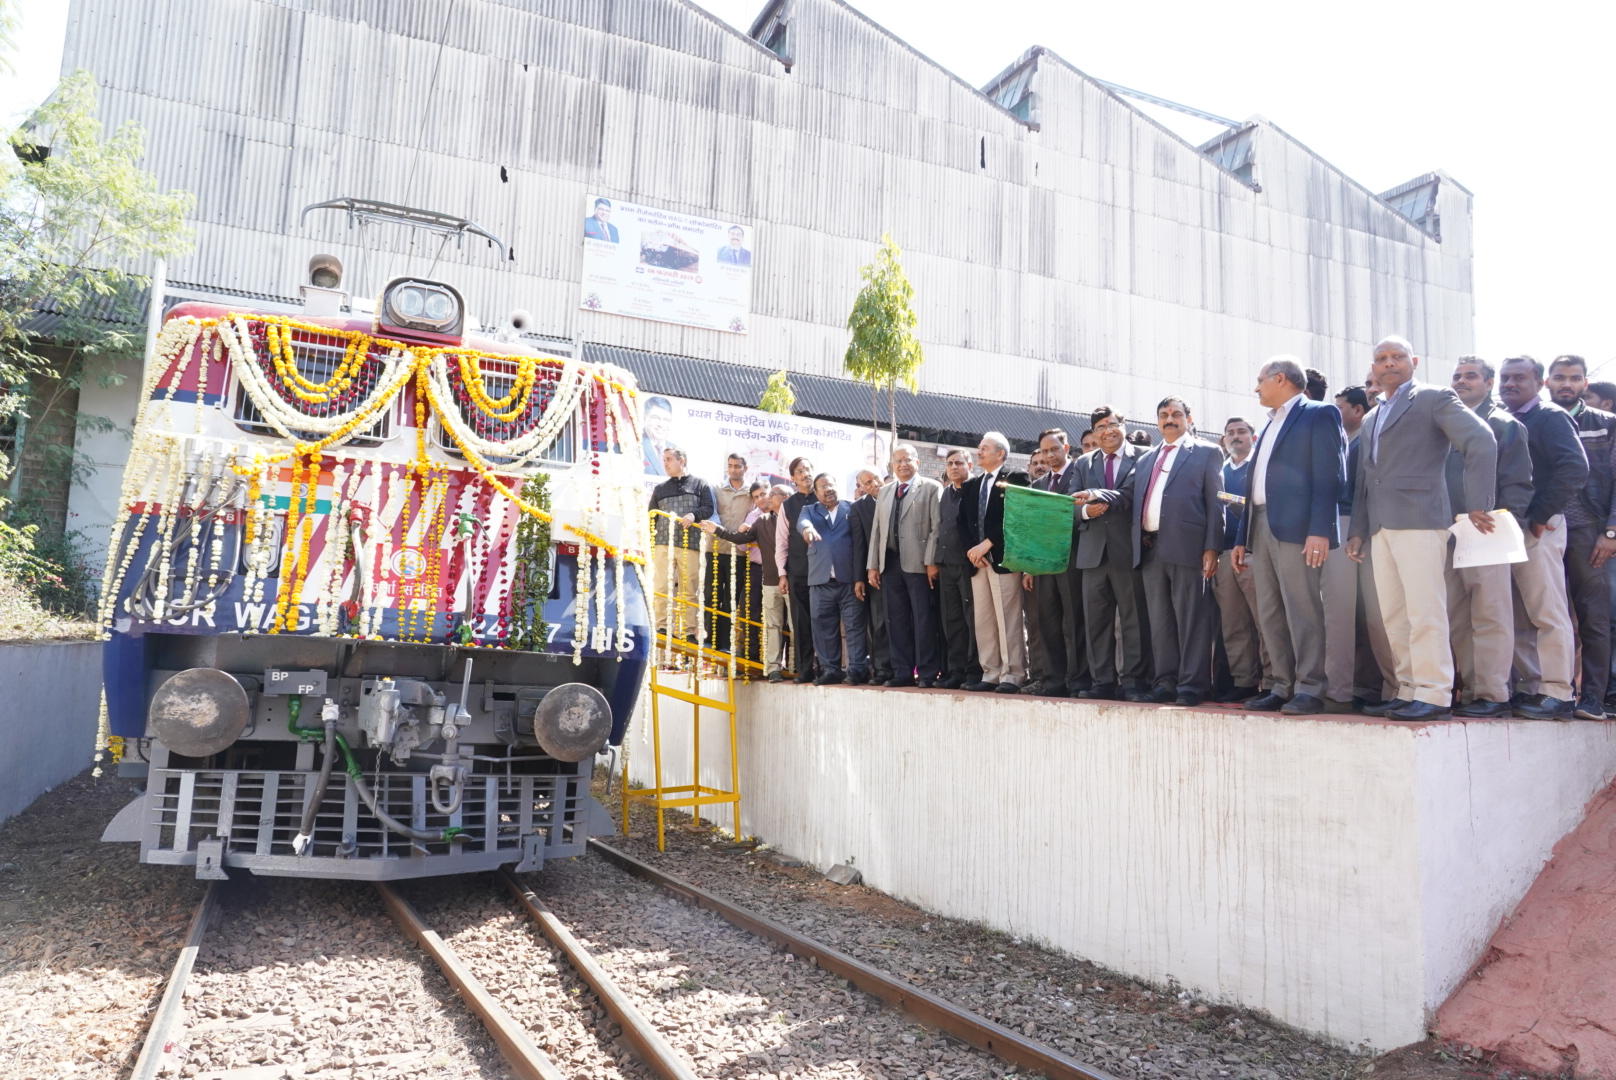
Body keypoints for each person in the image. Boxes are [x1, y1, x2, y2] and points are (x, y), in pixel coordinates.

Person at [1346, 335, 1497, 723]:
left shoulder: (1434, 398)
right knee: (1395, 615)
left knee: (1425, 610)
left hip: (1421, 520)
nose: (1389, 363)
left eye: (1397, 356)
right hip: (1381, 526)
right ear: (1374, 367)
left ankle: (1434, 693)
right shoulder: (1371, 416)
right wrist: (1359, 530)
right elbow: (1366, 478)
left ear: (1413, 360)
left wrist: (1478, 500)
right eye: (1381, 358)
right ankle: (1410, 687)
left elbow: (1481, 439)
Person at [1234, 357, 1346, 716]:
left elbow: (1330, 476)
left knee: (1302, 608)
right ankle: (1281, 686)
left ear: (1279, 379)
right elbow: (1255, 485)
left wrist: (1320, 530)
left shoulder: (1319, 414)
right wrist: (1242, 536)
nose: (1256, 388)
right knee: (1270, 610)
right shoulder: (1268, 426)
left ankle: (1310, 688)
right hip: (1261, 526)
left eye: (1260, 380)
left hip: (1298, 529)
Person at [1442, 358, 1533, 718]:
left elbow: (1519, 484)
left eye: (1470, 376)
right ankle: (1473, 692)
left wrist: (1502, 522)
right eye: (1457, 376)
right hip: (1449, 532)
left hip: (1487, 529)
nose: (1461, 382)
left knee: (1490, 614)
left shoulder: (1504, 424)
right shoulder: (1446, 425)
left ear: (1489, 382)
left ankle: (1494, 694)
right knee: (1458, 615)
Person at [1122, 397, 1224, 705]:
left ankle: (1192, 685)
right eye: (1164, 415)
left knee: (1191, 620)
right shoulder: (1145, 459)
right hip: (1151, 550)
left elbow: (1215, 502)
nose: (1170, 419)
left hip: (1188, 548)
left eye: (1176, 414)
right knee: (1161, 621)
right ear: (1156, 422)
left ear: (1189, 419)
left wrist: (1211, 547)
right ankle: (1165, 681)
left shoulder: (1206, 452)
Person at [1540, 355, 1615, 719]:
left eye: (1574, 378)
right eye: (1559, 378)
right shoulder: (1534, 420)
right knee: (1547, 614)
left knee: (1594, 617)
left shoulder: (1606, 425)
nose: (1566, 384)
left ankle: (1593, 699)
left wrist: (1611, 532)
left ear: (1585, 383)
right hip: (1542, 528)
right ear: (1547, 382)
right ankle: (1552, 692)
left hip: (1589, 531)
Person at [1071, 406, 1151, 701]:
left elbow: (1133, 495)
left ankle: (1133, 681)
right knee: (1097, 622)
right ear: (1093, 433)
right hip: (1092, 553)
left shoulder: (1143, 458)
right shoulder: (1082, 463)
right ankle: (1102, 681)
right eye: (1101, 426)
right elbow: (1070, 505)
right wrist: (1087, 512)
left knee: (1133, 620)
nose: (1108, 430)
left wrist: (1097, 495)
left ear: (1124, 425)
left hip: (1127, 551)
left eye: (1113, 424)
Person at [1328, 387, 1393, 709]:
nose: (1333, 413)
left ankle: (1391, 689)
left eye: (1339, 408)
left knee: (1377, 616)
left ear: (1357, 411)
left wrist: (1358, 530)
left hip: (1363, 529)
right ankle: (1356, 688)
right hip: (1345, 531)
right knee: (1350, 617)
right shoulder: (1342, 443)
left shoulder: (1366, 441)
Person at [957, 431, 1030, 692]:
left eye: (985, 448)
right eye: (979, 447)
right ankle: (991, 672)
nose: (979, 451)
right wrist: (972, 551)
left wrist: (988, 543)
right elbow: (962, 522)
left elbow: (1016, 516)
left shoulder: (1016, 477)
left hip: (1002, 558)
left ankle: (1013, 674)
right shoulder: (972, 485)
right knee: (984, 619)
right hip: (978, 562)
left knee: (1008, 617)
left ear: (1001, 453)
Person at [867, 444, 944, 687]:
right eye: (898, 460)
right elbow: (877, 531)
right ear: (892, 464)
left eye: (907, 459)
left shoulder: (931, 488)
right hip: (890, 564)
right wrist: (872, 565)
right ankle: (902, 672)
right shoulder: (886, 491)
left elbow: (936, 528)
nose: (902, 464)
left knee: (923, 619)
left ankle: (927, 672)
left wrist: (931, 562)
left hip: (919, 564)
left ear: (917, 462)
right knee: (895, 619)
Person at [702, 484, 792, 681]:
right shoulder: (762, 521)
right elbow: (740, 538)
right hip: (769, 579)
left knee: (794, 625)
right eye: (759, 496)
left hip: (794, 580)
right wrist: (718, 530)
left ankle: (796, 665)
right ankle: (773, 668)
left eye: (772, 494)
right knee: (771, 624)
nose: (767, 498)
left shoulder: (797, 519)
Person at [1027, 428, 1089, 697]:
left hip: (1073, 560)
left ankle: (1078, 680)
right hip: (1043, 564)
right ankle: (1054, 680)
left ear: (1066, 449)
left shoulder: (1080, 475)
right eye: (1044, 450)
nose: (1049, 455)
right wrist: (1029, 566)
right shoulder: (1038, 486)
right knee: (1047, 621)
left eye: (1054, 449)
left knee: (1074, 622)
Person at [1211, 417, 1266, 702]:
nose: (1235, 436)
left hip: (1254, 554)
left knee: (1264, 620)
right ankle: (1244, 680)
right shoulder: (1218, 471)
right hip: (1223, 554)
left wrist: (1233, 501)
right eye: (1229, 432)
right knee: (1233, 624)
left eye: (1242, 431)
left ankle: (1271, 680)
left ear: (1253, 438)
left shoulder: (1259, 467)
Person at [798, 473, 871, 685]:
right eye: (822, 486)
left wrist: (859, 578)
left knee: (855, 626)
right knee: (823, 626)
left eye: (831, 484)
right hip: (820, 581)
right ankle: (831, 669)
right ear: (816, 492)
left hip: (849, 580)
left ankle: (857, 669)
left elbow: (859, 544)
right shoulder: (809, 511)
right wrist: (808, 529)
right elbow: (802, 523)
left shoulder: (852, 508)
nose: (828, 489)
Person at [648, 447, 716, 643]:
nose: (666, 463)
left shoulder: (700, 484)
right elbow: (651, 515)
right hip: (663, 543)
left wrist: (693, 515)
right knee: (662, 585)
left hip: (690, 543)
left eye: (669, 459)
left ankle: (688, 630)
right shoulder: (660, 489)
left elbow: (709, 508)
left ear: (682, 460)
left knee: (689, 587)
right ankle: (661, 626)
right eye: (664, 460)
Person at [934, 449, 983, 689]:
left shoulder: (976, 489)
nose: (953, 467)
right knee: (951, 620)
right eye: (950, 463)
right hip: (946, 564)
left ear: (970, 464)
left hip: (969, 564)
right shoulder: (945, 493)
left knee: (971, 620)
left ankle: (974, 671)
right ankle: (956, 670)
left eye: (958, 463)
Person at [850, 469, 890, 683]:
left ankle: (905, 668)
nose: (873, 483)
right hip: (873, 574)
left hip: (900, 570)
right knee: (878, 622)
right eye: (867, 482)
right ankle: (882, 669)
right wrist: (859, 578)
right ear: (862, 487)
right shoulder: (859, 508)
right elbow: (859, 545)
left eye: (875, 479)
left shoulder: (895, 496)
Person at [711, 454, 753, 655]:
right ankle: (710, 642)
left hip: (739, 553)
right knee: (712, 595)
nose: (734, 469)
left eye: (738, 466)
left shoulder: (751, 493)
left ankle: (726, 644)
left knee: (732, 599)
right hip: (715, 549)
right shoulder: (716, 489)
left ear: (745, 468)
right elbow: (711, 513)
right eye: (730, 466)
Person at [781, 456, 819, 682]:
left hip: (824, 572)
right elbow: (782, 542)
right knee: (801, 623)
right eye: (800, 471)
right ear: (793, 478)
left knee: (823, 621)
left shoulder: (825, 497)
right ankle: (804, 669)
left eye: (808, 468)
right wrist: (782, 573)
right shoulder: (789, 504)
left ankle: (826, 667)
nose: (805, 474)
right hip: (798, 571)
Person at [641, 396, 673, 476]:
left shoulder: (677, 451)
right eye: (656, 418)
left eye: (666, 420)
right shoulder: (635, 446)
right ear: (645, 418)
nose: (661, 425)